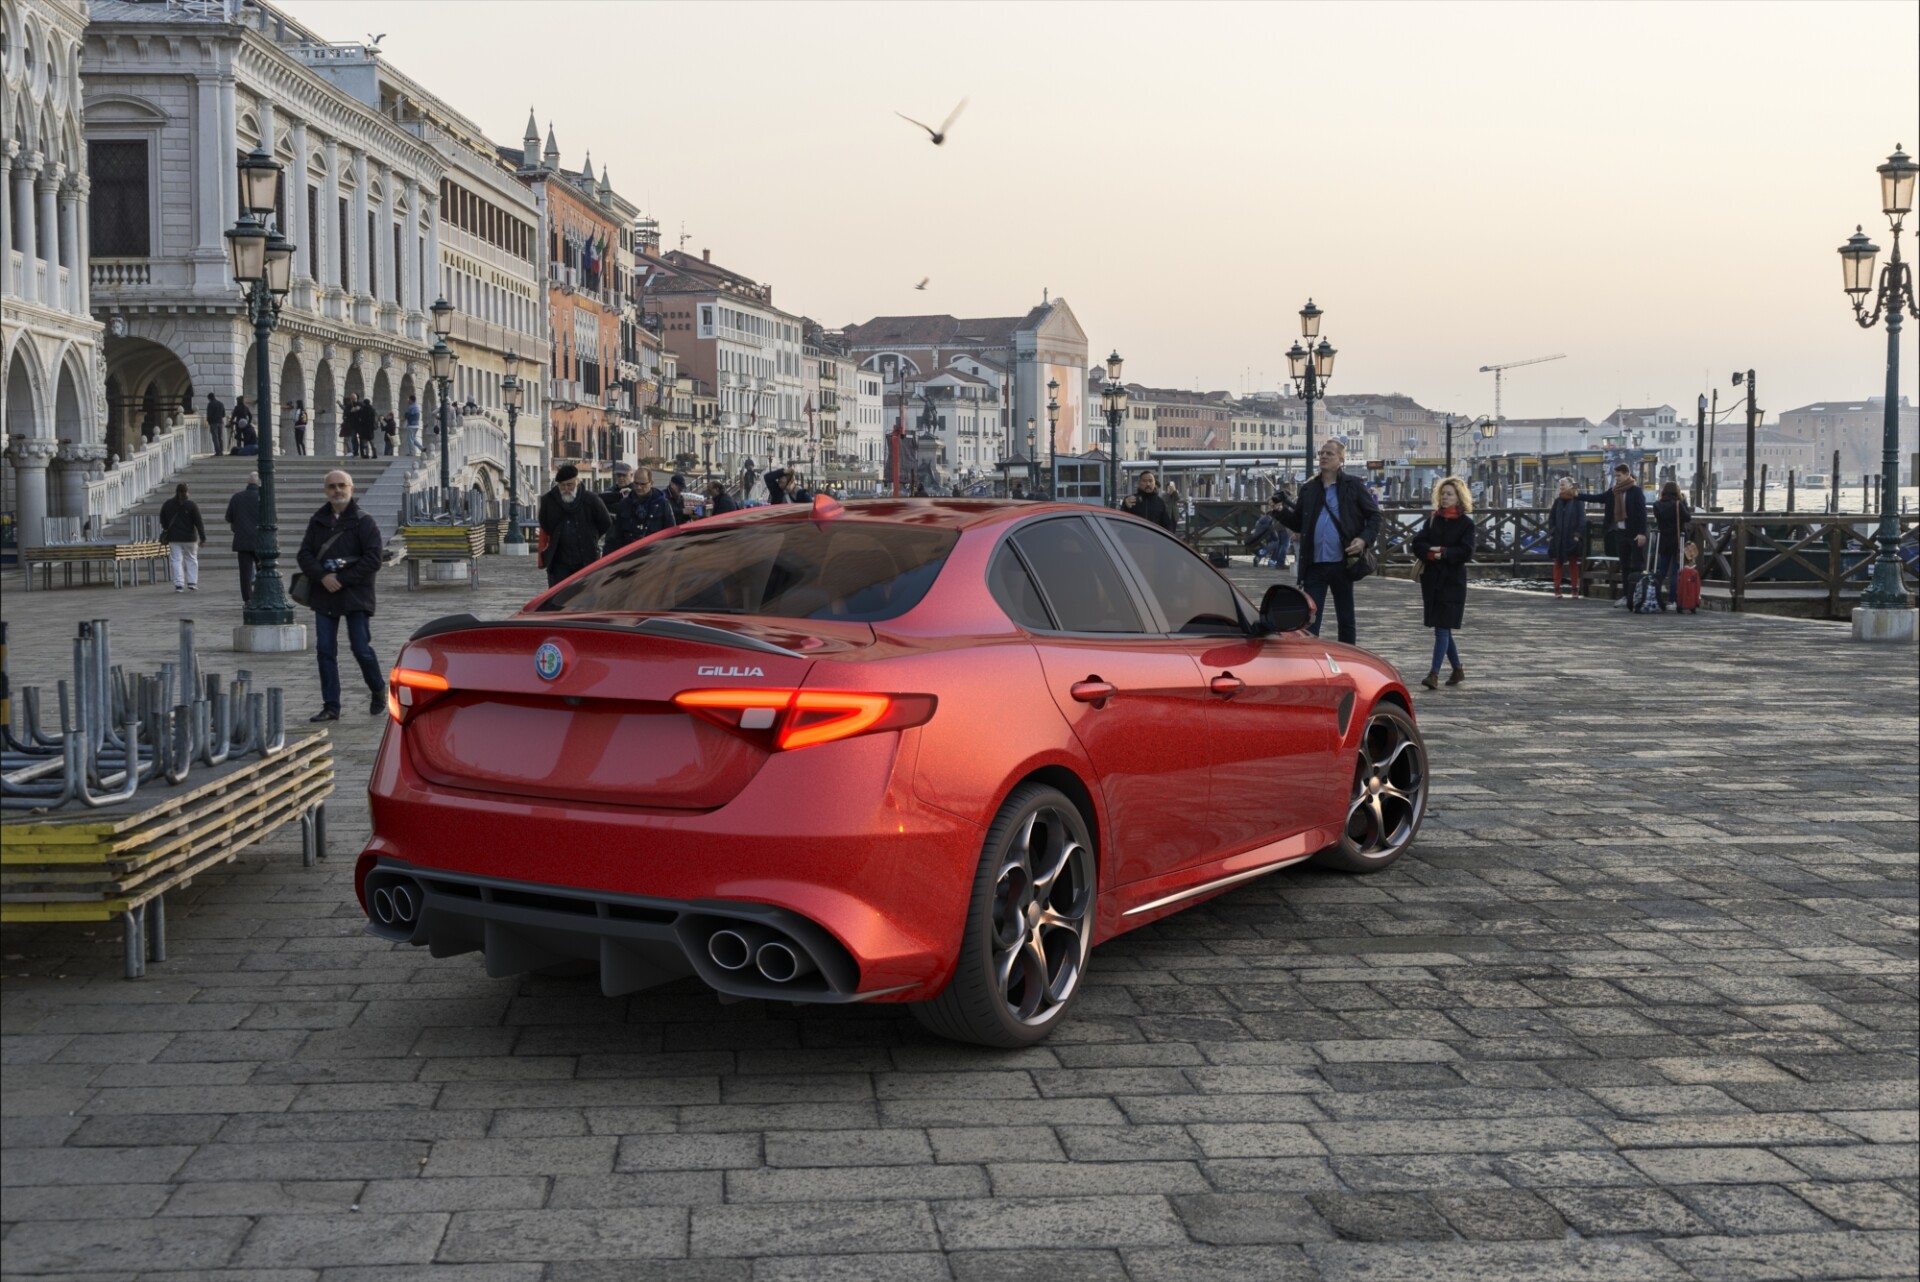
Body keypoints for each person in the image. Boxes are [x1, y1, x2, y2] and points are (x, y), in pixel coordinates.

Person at [296, 470, 386, 722]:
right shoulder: (318, 520)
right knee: (325, 650)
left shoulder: (363, 521)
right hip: (325, 595)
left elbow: (373, 559)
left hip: (356, 595)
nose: (337, 490)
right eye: (332, 486)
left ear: (351, 488)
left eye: (341, 485)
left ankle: (378, 689)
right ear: (326, 490)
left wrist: (342, 579)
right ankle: (331, 706)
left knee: (361, 648)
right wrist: (323, 577)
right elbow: (304, 555)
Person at [1277, 439, 1380, 646]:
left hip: (1342, 562)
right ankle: (1310, 661)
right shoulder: (1309, 489)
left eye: (1329, 454)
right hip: (1314, 564)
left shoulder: (1353, 485)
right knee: (1310, 619)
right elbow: (1299, 523)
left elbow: (1375, 516)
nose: (1323, 456)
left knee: (1346, 618)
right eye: (1321, 453)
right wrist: (1278, 511)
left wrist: (1363, 540)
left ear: (1340, 460)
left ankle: (1349, 659)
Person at [1411, 476, 1476, 690]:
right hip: (1432, 581)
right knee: (1443, 628)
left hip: (1453, 582)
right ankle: (1457, 669)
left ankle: (1434, 674)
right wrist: (1431, 554)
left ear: (1459, 498)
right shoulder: (1433, 520)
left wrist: (1444, 553)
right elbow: (1418, 543)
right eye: (1443, 494)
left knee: (1441, 629)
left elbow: (1466, 551)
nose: (1445, 497)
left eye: (1449, 494)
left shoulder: (1466, 524)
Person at [538, 463, 611, 587]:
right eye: (563, 486)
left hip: (586, 557)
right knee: (558, 596)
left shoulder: (591, 499)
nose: (566, 489)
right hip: (559, 559)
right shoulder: (548, 501)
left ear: (577, 482)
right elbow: (545, 523)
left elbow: (605, 522)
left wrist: (592, 536)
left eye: (570, 485)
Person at [1596, 463, 1648, 608]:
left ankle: (1636, 596)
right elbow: (1598, 498)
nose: (1616, 478)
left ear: (1627, 474)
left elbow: (1642, 513)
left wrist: (1642, 533)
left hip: (1634, 534)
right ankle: (1626, 596)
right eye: (1615, 476)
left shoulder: (1635, 491)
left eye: (1618, 475)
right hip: (1621, 533)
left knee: (1636, 566)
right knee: (1624, 566)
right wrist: (1577, 496)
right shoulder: (1614, 491)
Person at [1547, 477, 1591, 599]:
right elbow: (1551, 518)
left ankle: (1574, 589)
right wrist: (1552, 532)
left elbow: (1582, 519)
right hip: (1559, 536)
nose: (1561, 487)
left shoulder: (1578, 500)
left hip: (1572, 536)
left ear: (1571, 486)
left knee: (1573, 562)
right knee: (1558, 562)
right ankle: (1557, 589)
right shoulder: (1558, 501)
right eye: (1560, 485)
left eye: (1563, 485)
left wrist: (1577, 535)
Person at [159, 482, 206, 593]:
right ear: (187, 492)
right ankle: (192, 582)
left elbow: (162, 519)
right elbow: (199, 522)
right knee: (191, 559)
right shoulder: (191, 505)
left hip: (174, 537)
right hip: (190, 538)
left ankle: (179, 584)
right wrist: (202, 537)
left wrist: (167, 528)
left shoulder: (168, 504)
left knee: (176, 560)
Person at [1652, 480, 1691, 611]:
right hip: (1677, 540)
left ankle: (1653, 596)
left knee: (1662, 570)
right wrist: (1684, 502)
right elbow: (1687, 518)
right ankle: (1673, 600)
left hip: (1663, 540)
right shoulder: (1678, 505)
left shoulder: (1657, 505)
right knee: (1675, 572)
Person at [224, 471, 263, 603]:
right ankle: (261, 595)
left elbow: (228, 517)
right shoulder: (263, 497)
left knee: (245, 573)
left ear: (248, 482)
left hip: (242, 540)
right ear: (258, 483)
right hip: (261, 541)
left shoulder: (237, 497)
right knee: (263, 570)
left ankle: (247, 599)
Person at [612, 470, 677, 549]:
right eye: (636, 483)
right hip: (630, 554)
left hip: (654, 554)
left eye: (643, 484)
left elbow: (671, 532)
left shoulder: (662, 504)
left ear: (651, 483)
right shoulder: (624, 504)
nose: (639, 487)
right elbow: (617, 535)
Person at [1250, 495, 1291, 568]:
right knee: (1284, 545)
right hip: (1284, 527)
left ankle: (1264, 558)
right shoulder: (1281, 506)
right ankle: (1278, 562)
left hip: (1275, 528)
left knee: (1276, 545)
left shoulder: (1270, 511)